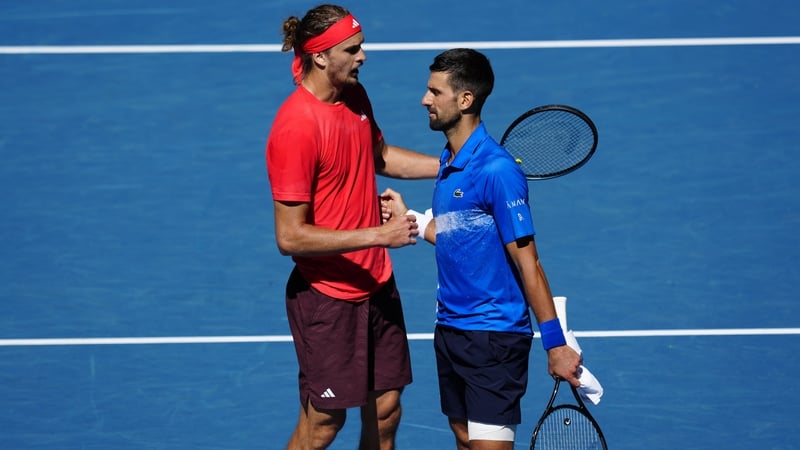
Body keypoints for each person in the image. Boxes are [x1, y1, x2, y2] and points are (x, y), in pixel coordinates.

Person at [380, 48, 582, 450]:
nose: (425, 100)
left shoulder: (497, 170)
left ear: (465, 99)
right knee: (464, 437)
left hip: (493, 336)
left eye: (435, 92)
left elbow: (530, 264)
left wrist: (555, 343)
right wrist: (416, 222)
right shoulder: (450, 162)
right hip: (451, 329)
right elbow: (464, 236)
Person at [265, 4, 440, 450]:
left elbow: (378, 157)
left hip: (376, 283)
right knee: (324, 424)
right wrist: (379, 236)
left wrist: (452, 165)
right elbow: (290, 236)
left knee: (385, 411)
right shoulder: (295, 128)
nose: (363, 56)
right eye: (354, 49)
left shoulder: (354, 96)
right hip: (327, 296)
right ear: (321, 56)